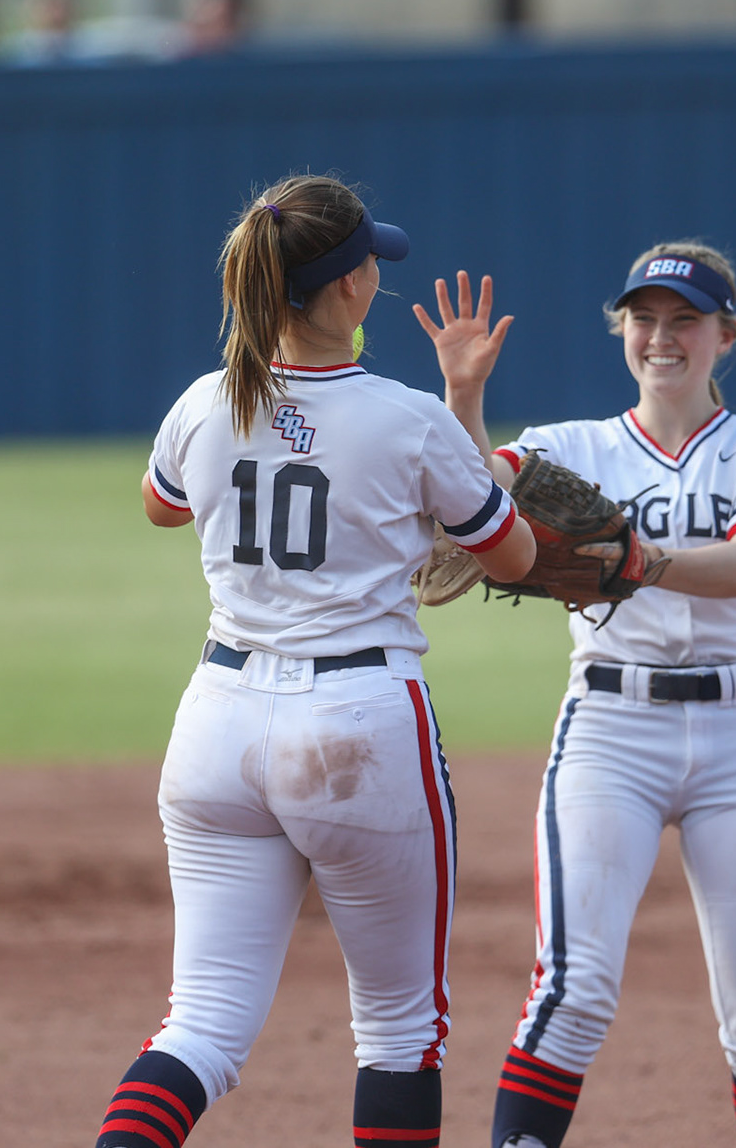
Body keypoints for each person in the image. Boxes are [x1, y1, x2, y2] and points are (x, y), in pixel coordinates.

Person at [91, 173, 536, 1148]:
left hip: (217, 722)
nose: (379, 270)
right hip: (358, 727)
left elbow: (161, 503)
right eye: (371, 258)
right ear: (349, 288)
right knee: (398, 1029)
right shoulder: (405, 415)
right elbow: (514, 552)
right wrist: (472, 427)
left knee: (200, 1023)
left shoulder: (204, 402)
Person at [415, 245, 736, 1147]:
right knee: (572, 990)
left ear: (724, 335)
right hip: (610, 731)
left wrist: (642, 561)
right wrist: (463, 400)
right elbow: (471, 499)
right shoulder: (568, 446)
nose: (661, 338)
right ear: (621, 330)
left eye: (684, 320)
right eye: (644, 318)